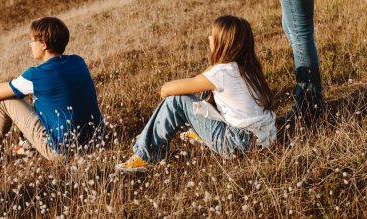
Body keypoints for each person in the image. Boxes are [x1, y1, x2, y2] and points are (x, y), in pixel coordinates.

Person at [116, 15, 276, 173]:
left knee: (177, 100)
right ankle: (201, 131)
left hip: (235, 143)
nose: (209, 38)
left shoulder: (221, 73)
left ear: (223, 44)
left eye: (213, 36)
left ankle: (146, 157)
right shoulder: (250, 69)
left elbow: (166, 90)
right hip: (264, 137)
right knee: (202, 86)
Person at [0, 16, 103, 170]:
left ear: (43, 44)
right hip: (96, 140)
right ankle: (27, 145)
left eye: (32, 41)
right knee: (45, 99)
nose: (30, 45)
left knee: (5, 101)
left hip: (61, 150)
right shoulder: (78, 61)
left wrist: (15, 87)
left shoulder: (36, 76)